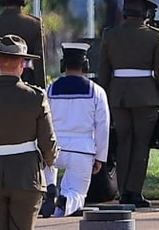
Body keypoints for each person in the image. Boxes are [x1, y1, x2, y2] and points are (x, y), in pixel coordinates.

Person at [0, 34, 58, 230]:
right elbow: (47, 143)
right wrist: (50, 160)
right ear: (22, 64)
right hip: (27, 177)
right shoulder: (35, 97)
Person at [97, 0, 159, 208]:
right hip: (145, 97)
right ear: (145, 13)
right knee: (141, 144)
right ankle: (134, 192)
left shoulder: (110, 35)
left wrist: (102, 97)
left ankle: (123, 192)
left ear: (125, 11)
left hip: (119, 96)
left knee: (124, 142)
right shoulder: (154, 36)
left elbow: (103, 71)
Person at [40, 42, 111, 217]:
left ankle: (51, 189)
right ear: (86, 65)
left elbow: (42, 121)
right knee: (77, 193)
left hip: (54, 147)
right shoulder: (97, 91)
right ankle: (64, 199)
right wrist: (100, 156)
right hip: (82, 149)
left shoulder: (50, 90)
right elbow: (103, 126)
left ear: (63, 64)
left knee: (51, 173)